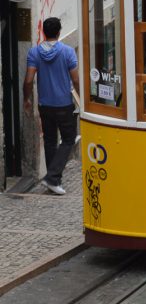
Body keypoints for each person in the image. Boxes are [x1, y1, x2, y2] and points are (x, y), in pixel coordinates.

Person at [23, 17, 79, 195]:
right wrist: (82, 98)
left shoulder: (34, 53)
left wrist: (26, 99)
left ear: (43, 33)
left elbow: (29, 80)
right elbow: (75, 79)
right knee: (69, 140)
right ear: (59, 32)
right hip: (64, 104)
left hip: (45, 105)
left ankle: (53, 179)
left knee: (49, 141)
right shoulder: (68, 52)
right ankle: (53, 178)